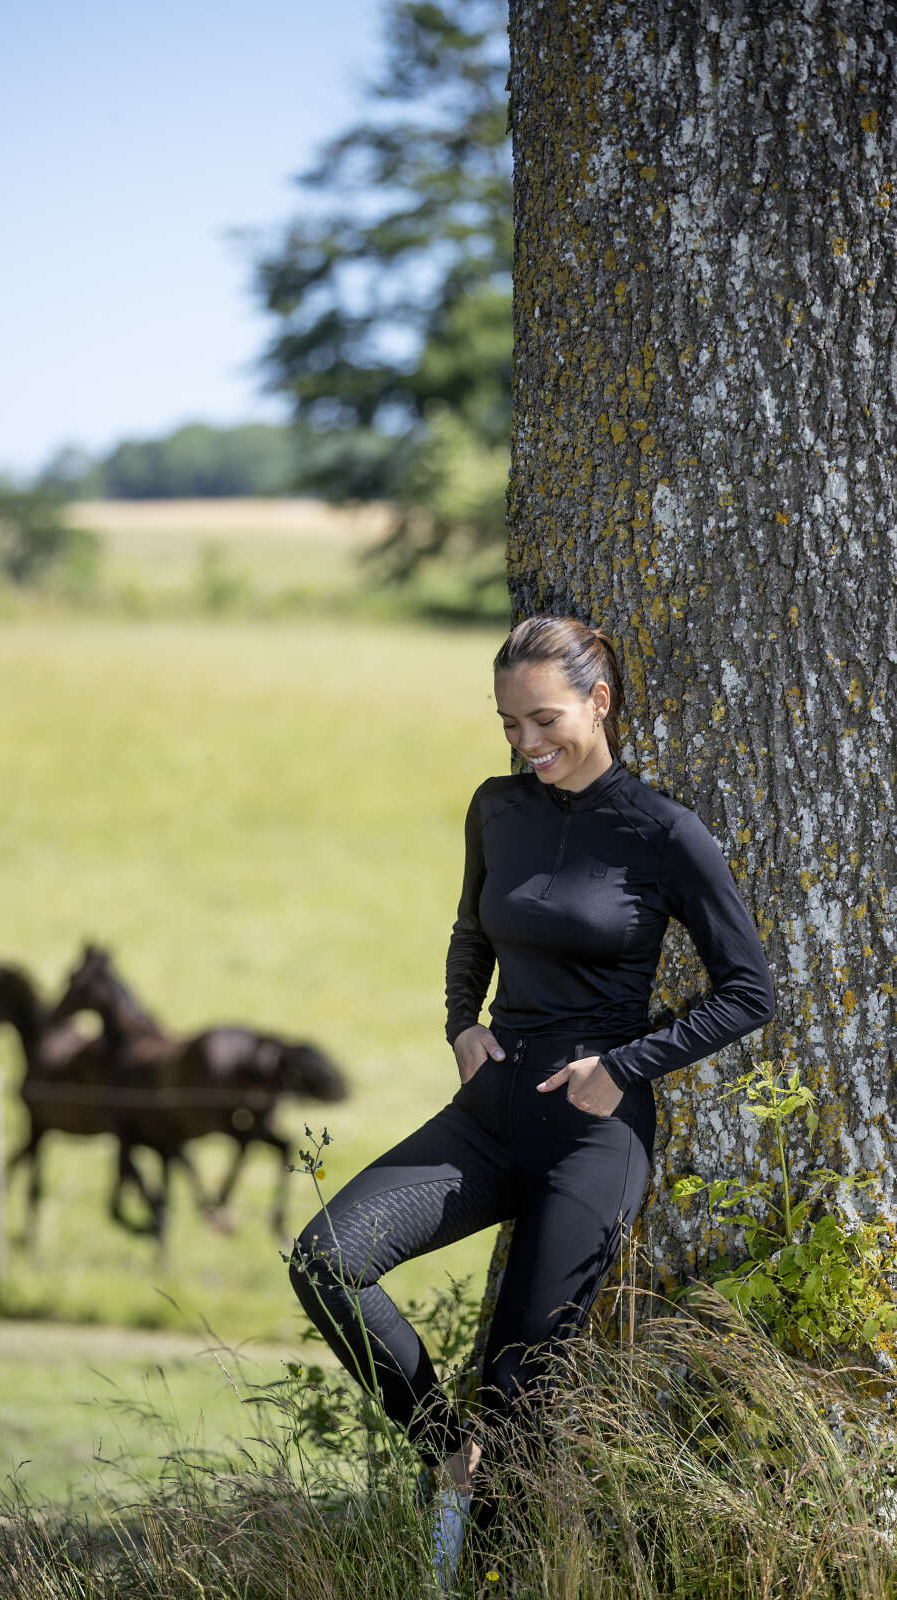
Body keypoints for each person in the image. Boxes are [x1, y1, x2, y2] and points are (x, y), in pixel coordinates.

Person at [287, 614, 776, 1577]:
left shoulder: (663, 832)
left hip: (590, 1136)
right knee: (325, 1261)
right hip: (489, 1110)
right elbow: (472, 927)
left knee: (521, 1389)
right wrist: (459, 1023)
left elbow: (748, 991)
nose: (524, 743)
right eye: (508, 723)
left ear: (599, 701)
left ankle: (502, 1575)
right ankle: (444, 1451)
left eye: (542, 719)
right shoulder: (496, 807)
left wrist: (623, 1067)